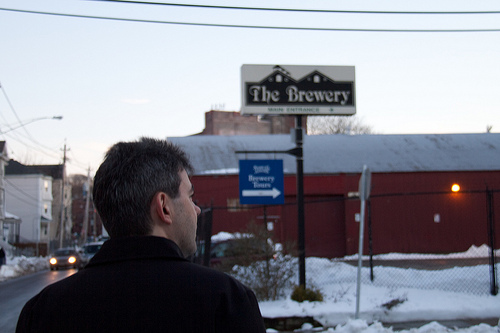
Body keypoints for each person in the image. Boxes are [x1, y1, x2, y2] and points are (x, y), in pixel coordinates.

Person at [16, 137, 266, 333]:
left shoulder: (42, 311)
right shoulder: (226, 302)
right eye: (190, 197)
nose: (197, 209)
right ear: (164, 206)